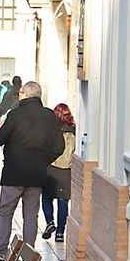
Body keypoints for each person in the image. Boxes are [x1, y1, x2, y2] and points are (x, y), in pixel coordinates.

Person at [0, 80, 64, 261]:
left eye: (21, 92)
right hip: (37, 174)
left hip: (13, 173)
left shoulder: (16, 115)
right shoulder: (50, 117)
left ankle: (1, 253)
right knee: (31, 215)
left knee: (5, 212)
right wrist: (43, 160)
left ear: (25, 94)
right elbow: (59, 146)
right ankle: (28, 256)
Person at [43, 103, 77, 243]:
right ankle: (60, 233)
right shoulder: (75, 132)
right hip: (67, 172)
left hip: (51, 169)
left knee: (46, 197)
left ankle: (50, 221)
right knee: (63, 202)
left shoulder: (51, 131)